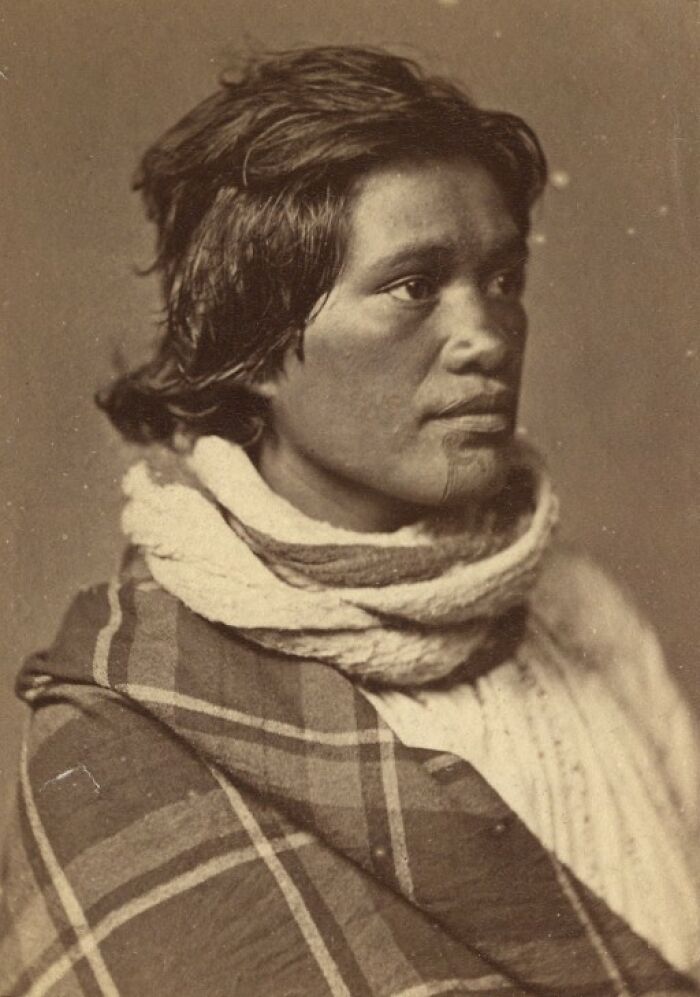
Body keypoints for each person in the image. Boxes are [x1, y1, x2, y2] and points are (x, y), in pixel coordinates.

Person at [1, 46, 698, 996]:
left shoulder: (582, 614)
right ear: (254, 341)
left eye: (503, 279)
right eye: (414, 286)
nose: (487, 337)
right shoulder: (131, 727)